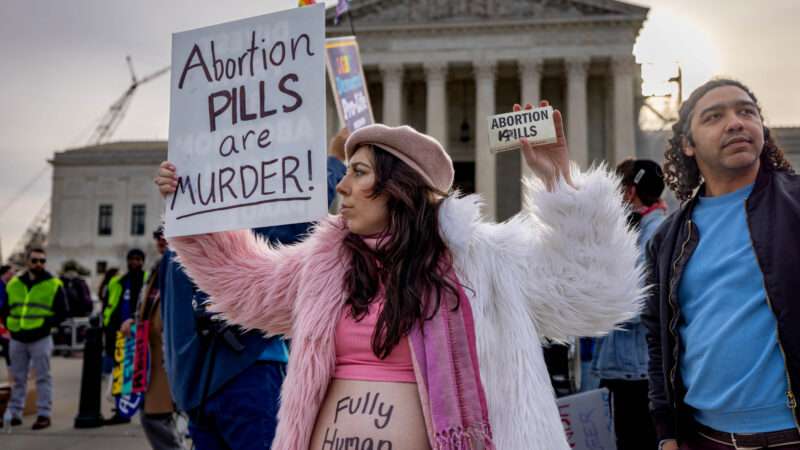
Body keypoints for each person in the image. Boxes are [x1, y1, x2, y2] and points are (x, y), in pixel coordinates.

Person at [156, 102, 643, 450]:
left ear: (399, 187)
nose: (341, 187)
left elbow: (594, 291)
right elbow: (243, 286)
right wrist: (193, 209)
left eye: (359, 173)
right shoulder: (327, 265)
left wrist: (561, 183)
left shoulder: (481, 261)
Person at [157, 129, 347, 450]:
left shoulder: (177, 239)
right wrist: (334, 162)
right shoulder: (235, 230)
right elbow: (295, 227)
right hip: (247, 372)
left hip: (194, 386)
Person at [642, 78, 799, 450]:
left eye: (747, 111)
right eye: (714, 116)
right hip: (705, 438)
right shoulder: (668, 238)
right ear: (688, 145)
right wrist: (666, 432)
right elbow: (659, 337)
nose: (735, 122)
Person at [591, 158, 666, 449]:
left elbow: (640, 303)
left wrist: (597, 304)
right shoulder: (642, 229)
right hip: (626, 365)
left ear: (629, 191)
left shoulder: (653, 233)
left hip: (634, 369)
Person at [122, 226, 185, 450]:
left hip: (166, 356)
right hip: (147, 354)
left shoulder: (180, 266)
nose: (160, 240)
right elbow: (147, 308)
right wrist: (134, 321)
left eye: (165, 234)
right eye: (157, 236)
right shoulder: (159, 268)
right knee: (153, 416)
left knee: (156, 418)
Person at [0, 248, 68, 430]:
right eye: (35, 260)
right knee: (18, 378)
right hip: (17, 337)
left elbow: (63, 312)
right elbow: (5, 308)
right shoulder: (14, 284)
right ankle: (15, 414)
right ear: (27, 262)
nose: (39, 264)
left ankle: (44, 414)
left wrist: (46, 324)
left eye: (42, 261)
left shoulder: (53, 283)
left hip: (41, 338)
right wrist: (9, 324)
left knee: (43, 377)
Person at [103, 248, 148, 425]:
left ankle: (143, 409)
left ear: (143, 261)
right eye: (132, 259)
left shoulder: (147, 279)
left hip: (141, 333)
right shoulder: (117, 281)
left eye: (138, 259)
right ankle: (121, 411)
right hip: (119, 334)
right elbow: (109, 304)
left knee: (140, 375)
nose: (135, 262)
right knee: (120, 374)